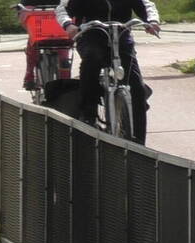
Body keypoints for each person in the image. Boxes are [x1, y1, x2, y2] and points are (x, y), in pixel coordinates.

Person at [56, 0, 161, 144]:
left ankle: (139, 143)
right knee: (92, 60)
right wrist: (69, 25)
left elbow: (146, 5)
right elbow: (62, 9)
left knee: (137, 87)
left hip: (121, 36)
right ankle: (88, 115)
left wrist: (152, 21)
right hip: (91, 36)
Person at [19, 3, 72, 91]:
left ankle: (29, 77)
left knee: (34, 41)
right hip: (42, 10)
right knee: (62, 45)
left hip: (49, 11)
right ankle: (30, 76)